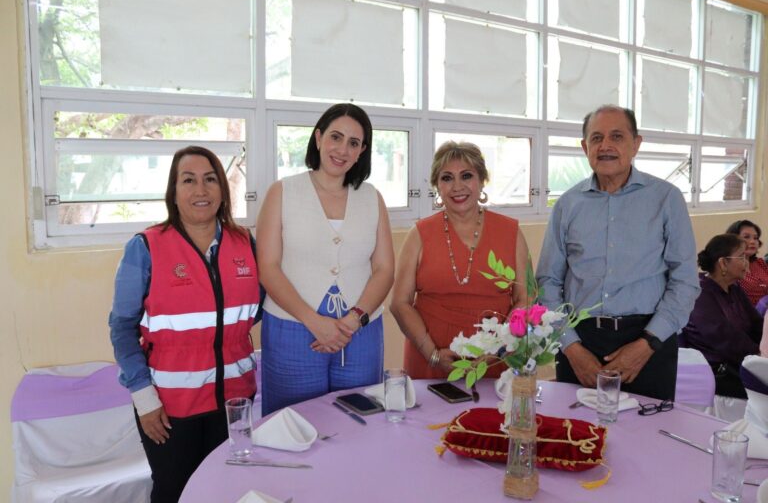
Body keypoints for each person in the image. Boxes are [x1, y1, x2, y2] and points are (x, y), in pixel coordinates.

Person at [109, 146, 261, 502]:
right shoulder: (145, 247)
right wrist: (144, 399)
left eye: (210, 179)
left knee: (228, 490)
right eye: (188, 180)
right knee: (176, 493)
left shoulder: (244, 243)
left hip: (234, 402)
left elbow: (262, 305)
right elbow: (121, 328)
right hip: (170, 409)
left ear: (222, 189)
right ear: (173, 193)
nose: (200, 190)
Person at [536, 105, 700, 400]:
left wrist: (647, 344)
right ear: (585, 147)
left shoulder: (666, 199)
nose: (605, 146)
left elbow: (685, 280)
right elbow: (547, 282)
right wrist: (570, 346)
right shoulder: (567, 205)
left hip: (648, 341)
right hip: (580, 341)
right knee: (576, 436)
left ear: (636, 144)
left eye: (617, 136)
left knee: (647, 437)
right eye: (596, 138)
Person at [257, 103, 394, 415]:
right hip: (294, 327)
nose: (342, 149)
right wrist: (314, 321)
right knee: (294, 422)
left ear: (362, 152)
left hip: (360, 330)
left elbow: (385, 269)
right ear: (318, 138)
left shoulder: (372, 197)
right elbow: (268, 267)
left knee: (359, 422)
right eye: (336, 137)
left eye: (354, 143)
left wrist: (354, 319)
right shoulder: (283, 192)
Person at [390, 141, 529, 379]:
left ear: (481, 181)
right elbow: (399, 303)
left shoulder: (511, 232)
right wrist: (432, 354)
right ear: (437, 186)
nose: (457, 186)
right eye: (447, 178)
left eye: (466, 176)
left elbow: (525, 299)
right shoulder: (419, 234)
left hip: (496, 360)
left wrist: (501, 347)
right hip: (430, 361)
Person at [680, 234, 762, 398]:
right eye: (741, 257)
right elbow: (725, 338)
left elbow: (756, 324)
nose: (747, 264)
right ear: (723, 262)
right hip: (718, 371)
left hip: (741, 362)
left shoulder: (734, 288)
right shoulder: (700, 294)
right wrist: (759, 358)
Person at [725, 219, 768, 307]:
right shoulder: (728, 268)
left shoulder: (760, 263)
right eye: (746, 237)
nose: (752, 242)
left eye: (755, 238)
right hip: (747, 317)